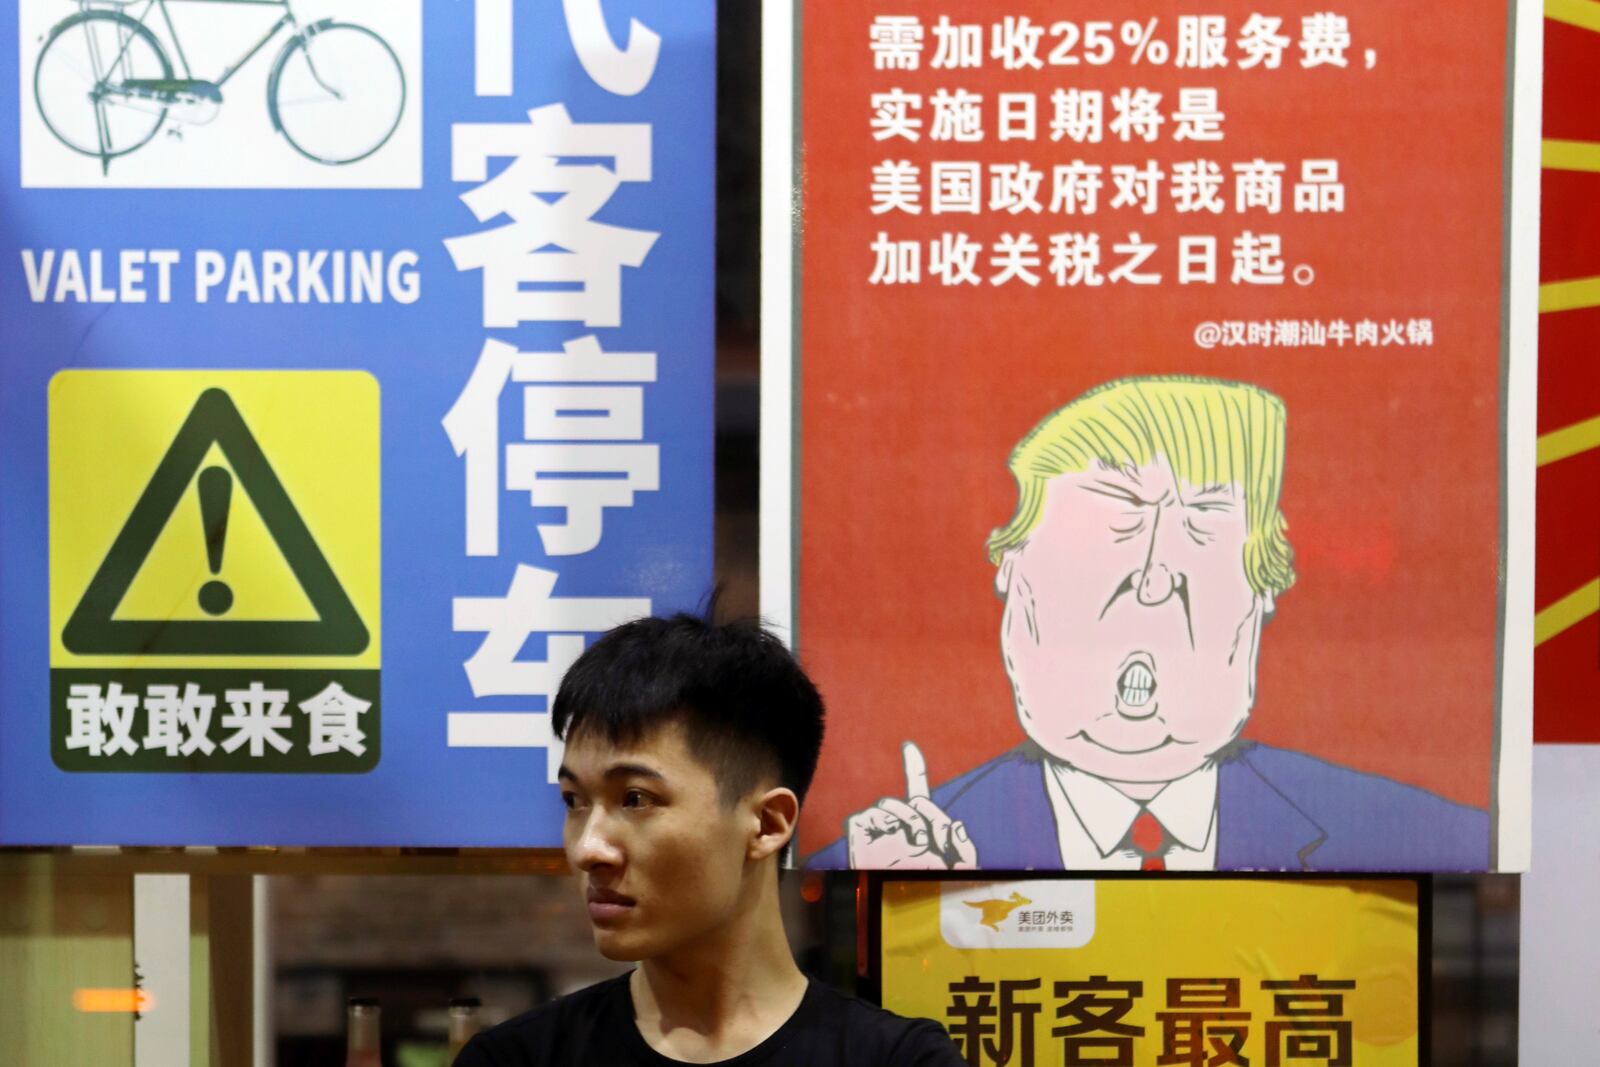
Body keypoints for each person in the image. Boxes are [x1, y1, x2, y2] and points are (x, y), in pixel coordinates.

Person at [809, 375, 1489, 872]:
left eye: (1202, 525)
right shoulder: (886, 860)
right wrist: (906, 906)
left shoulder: (1414, 835)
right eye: (1114, 521)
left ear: (1262, 598)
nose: (1156, 576)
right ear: (1012, 576)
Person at [454, 613, 965, 1066]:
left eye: (635, 799)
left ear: (766, 824)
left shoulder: (899, 1058)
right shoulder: (515, 1058)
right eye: (574, 801)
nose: (589, 848)